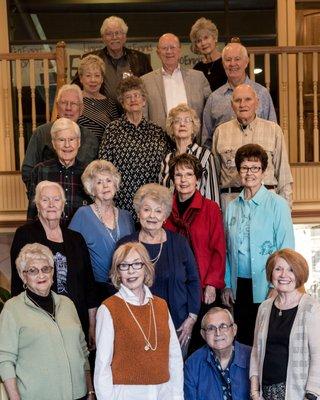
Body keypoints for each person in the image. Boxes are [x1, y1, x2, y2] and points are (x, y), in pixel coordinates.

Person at [0, 243, 94, 400]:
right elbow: (5, 359)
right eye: (32, 271)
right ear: (23, 276)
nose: (41, 275)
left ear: (53, 272)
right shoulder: (12, 309)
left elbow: (83, 351)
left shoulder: (67, 304)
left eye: (45, 269)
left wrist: (90, 390)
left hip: (80, 395)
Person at [222, 144, 295, 345]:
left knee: (266, 340)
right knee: (243, 340)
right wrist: (228, 284)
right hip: (240, 285)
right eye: (244, 168)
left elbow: (286, 249)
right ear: (238, 171)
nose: (249, 173)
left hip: (266, 284)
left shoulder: (277, 204)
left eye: (255, 168)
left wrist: (276, 284)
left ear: (263, 171)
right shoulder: (231, 207)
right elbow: (227, 250)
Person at [117, 183, 201, 357]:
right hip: (136, 326)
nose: (152, 216)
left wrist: (191, 318)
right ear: (138, 213)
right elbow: (115, 283)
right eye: (147, 210)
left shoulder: (179, 243)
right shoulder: (125, 245)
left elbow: (194, 280)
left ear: (165, 216)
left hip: (178, 325)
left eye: (158, 211)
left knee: (175, 375)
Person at [11, 181, 98, 346]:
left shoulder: (76, 238)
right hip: (40, 322)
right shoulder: (24, 235)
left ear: (63, 204)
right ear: (37, 205)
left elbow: (89, 285)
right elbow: (17, 284)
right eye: (45, 200)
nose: (51, 204)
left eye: (56, 199)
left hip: (76, 320)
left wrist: (92, 324)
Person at [94, 242, 184, 400]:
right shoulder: (108, 308)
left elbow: (174, 356)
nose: (131, 271)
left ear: (146, 268)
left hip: (164, 392)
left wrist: (177, 396)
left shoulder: (161, 305)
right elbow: (102, 365)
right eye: (124, 265)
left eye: (136, 264)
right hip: (126, 394)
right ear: (117, 272)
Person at [164, 153, 226, 352]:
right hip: (173, 287)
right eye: (178, 175)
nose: (183, 180)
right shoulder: (164, 209)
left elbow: (218, 249)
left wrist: (211, 284)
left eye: (189, 174)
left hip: (202, 286)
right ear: (172, 179)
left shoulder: (210, 209)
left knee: (201, 346)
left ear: (197, 180)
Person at [250, 249, 320, 400]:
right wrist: (255, 392)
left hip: (299, 394)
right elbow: (256, 351)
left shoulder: (312, 307)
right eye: (278, 269)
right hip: (265, 393)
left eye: (291, 270)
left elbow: (318, 356)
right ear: (271, 273)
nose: (283, 275)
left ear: (299, 273)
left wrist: (311, 395)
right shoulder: (264, 307)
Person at [99, 76, 172, 218]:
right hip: (122, 203)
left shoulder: (157, 130)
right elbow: (104, 168)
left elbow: (167, 167)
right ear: (122, 103)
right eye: (128, 97)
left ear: (144, 101)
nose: (133, 100)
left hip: (153, 204)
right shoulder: (112, 130)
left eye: (137, 96)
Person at [212, 84, 293, 211]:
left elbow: (284, 175)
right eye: (238, 100)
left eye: (248, 99)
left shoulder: (274, 130)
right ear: (232, 105)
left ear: (257, 103)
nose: (243, 104)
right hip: (230, 203)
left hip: (267, 202)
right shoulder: (220, 132)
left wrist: (286, 210)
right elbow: (214, 177)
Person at [69, 160, 135, 302]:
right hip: (95, 289)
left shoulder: (126, 216)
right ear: (91, 189)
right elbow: (70, 253)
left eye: (108, 180)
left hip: (126, 287)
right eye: (99, 182)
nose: (105, 185)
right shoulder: (83, 214)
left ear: (115, 185)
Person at [21, 84, 98, 188]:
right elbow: (27, 170)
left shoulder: (91, 138)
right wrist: (40, 196)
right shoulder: (41, 133)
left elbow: (96, 173)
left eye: (73, 104)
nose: (68, 108)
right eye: (64, 103)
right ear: (57, 106)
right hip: (49, 201)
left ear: (81, 109)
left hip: (81, 200)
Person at [202, 42, 277, 148]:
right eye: (228, 60)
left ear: (246, 62)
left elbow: (273, 133)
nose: (232, 64)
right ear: (223, 64)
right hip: (225, 163)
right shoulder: (214, 98)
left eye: (237, 59)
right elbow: (206, 141)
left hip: (258, 162)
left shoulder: (262, 93)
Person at [73, 15, 152, 108]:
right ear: (103, 38)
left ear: (125, 36)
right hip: (101, 114)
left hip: (132, 113)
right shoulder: (92, 59)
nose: (114, 37)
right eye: (109, 34)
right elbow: (75, 88)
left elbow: (150, 90)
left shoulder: (140, 59)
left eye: (118, 33)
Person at [141, 33, 211, 136]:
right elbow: (143, 117)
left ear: (179, 51)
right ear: (158, 53)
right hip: (159, 143)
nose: (169, 51)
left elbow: (209, 112)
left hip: (193, 142)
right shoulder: (145, 81)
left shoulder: (198, 78)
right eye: (164, 48)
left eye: (172, 47)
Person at [27, 117, 91, 224]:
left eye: (71, 139)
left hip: (80, 236)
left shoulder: (88, 172)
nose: (67, 145)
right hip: (47, 235)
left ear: (78, 142)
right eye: (61, 140)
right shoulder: (40, 170)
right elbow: (33, 210)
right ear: (53, 143)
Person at [184, 307, 251, 400]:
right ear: (203, 334)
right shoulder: (192, 364)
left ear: (234, 329)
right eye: (211, 328)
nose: (218, 333)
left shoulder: (252, 357)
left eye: (223, 326)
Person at [160, 103, 220, 204]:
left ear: (193, 128)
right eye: (177, 121)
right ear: (171, 128)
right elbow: (162, 195)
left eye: (187, 120)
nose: (182, 124)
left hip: (198, 215)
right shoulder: (167, 159)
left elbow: (212, 194)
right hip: (172, 216)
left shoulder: (205, 155)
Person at [76, 54, 119, 142]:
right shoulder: (73, 99)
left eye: (97, 76)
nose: (93, 80)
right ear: (81, 78)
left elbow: (116, 133)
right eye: (88, 76)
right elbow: (60, 124)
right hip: (76, 151)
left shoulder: (110, 104)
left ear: (102, 79)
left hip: (103, 152)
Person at [190, 17, 227, 91]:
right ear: (196, 46)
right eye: (198, 41)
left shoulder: (227, 62)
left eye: (206, 38)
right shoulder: (197, 69)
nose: (203, 43)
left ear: (215, 38)